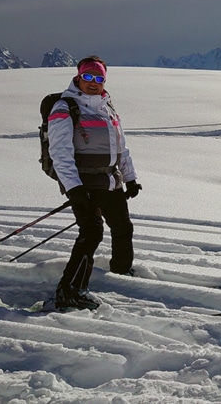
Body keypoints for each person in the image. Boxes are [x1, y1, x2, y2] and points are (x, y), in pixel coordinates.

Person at [47, 55, 142, 309]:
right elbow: (60, 152)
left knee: (123, 227)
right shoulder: (65, 107)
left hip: (111, 180)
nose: (93, 82)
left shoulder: (107, 106)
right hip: (84, 183)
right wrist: (74, 189)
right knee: (91, 233)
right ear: (79, 77)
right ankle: (70, 290)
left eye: (99, 78)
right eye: (88, 76)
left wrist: (130, 178)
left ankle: (121, 274)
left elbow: (120, 148)